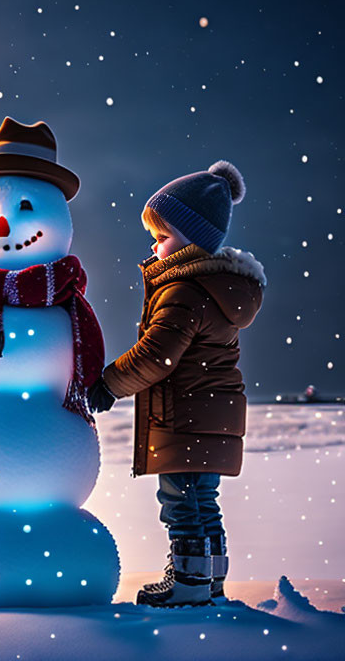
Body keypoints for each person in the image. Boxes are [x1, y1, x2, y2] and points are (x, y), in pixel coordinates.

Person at [87, 160, 266, 607]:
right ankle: (210, 580)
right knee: (204, 502)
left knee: (180, 502)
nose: (154, 246)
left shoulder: (185, 292)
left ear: (192, 239)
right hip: (212, 415)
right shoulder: (220, 289)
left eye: (162, 236)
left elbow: (157, 354)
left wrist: (109, 384)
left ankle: (187, 585)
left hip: (184, 415)